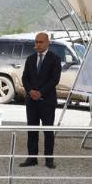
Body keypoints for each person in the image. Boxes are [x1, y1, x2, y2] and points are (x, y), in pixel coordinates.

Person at [19, 32, 61, 169]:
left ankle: (49, 160)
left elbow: (54, 79)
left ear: (48, 43)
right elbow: (25, 78)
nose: (37, 44)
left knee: (48, 131)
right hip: (31, 101)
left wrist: (41, 92)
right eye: (36, 42)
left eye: (40, 42)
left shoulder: (54, 59)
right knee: (32, 130)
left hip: (47, 101)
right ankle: (32, 158)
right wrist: (30, 91)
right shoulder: (30, 59)